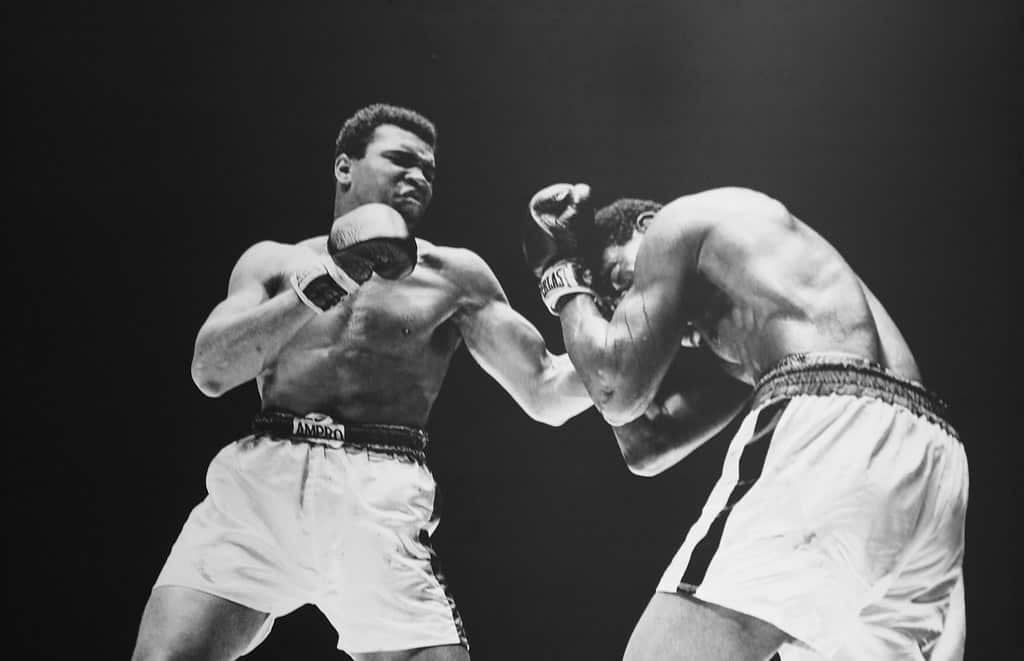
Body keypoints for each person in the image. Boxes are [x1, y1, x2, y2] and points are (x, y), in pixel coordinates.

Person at [130, 104, 594, 661]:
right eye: (400, 159)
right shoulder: (274, 262)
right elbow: (210, 371)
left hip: (379, 498)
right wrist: (327, 282)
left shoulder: (454, 275)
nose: (418, 176)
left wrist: (606, 316)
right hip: (261, 490)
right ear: (344, 167)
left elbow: (546, 388)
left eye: (428, 169)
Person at [522, 183, 968, 660]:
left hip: (833, 427)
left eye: (620, 280)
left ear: (645, 229)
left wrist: (560, 275)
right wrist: (603, 336)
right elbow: (646, 442)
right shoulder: (767, 321)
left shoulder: (678, 225)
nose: (628, 306)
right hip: (933, 464)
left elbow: (613, 387)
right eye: (613, 305)